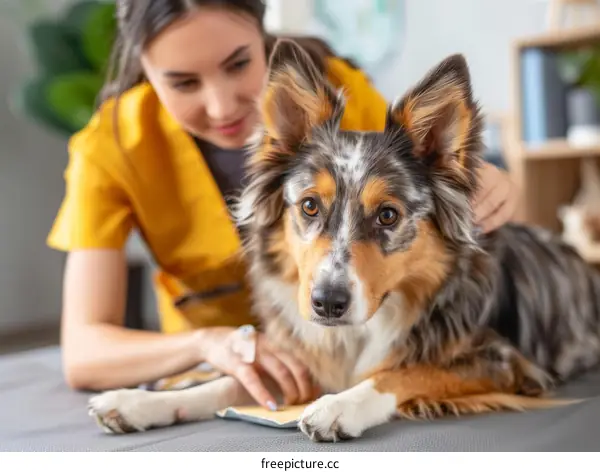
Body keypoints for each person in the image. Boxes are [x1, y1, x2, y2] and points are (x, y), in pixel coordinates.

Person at [47, 0, 520, 410]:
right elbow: (86, 351)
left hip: (360, 349)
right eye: (183, 83)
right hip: (227, 372)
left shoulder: (339, 94)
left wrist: (490, 183)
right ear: (144, 71)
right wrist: (208, 344)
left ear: (263, 36)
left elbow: (430, 195)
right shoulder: (108, 148)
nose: (222, 106)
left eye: (238, 64)